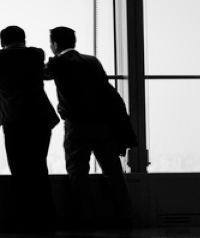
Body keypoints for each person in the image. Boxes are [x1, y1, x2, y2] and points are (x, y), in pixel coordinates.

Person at [45, 26, 135, 224]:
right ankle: (126, 215)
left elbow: (40, 74)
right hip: (104, 125)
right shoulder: (93, 61)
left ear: (55, 44)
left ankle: (85, 218)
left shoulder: (57, 62)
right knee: (113, 172)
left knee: (78, 173)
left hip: (77, 126)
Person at [0, 26, 59, 226]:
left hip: (14, 119)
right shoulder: (36, 53)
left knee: (19, 169)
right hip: (40, 117)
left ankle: (26, 217)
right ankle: (46, 216)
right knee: (39, 166)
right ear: (24, 39)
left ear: (2, 42)